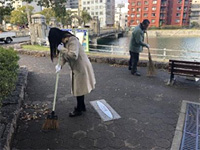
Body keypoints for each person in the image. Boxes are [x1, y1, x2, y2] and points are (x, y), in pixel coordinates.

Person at [48, 28, 96, 117]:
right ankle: (82, 106)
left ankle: (79, 109)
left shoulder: (72, 40)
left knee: (79, 88)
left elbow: (73, 55)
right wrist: (60, 65)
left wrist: (62, 49)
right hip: (76, 67)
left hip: (81, 67)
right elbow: (64, 57)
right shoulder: (65, 43)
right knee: (79, 87)